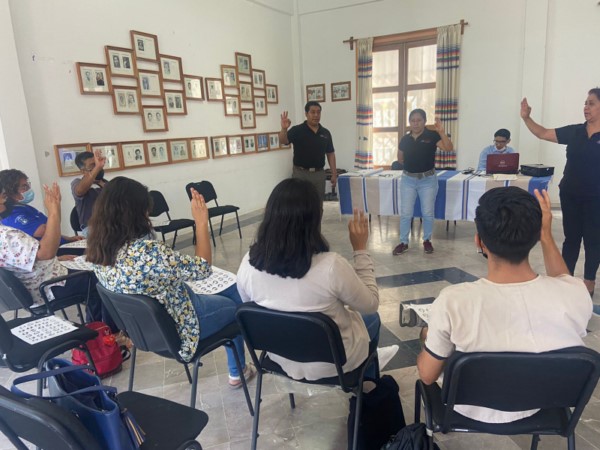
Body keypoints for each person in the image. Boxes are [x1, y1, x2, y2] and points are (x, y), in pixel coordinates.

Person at [417, 186, 592, 423]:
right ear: (535, 237)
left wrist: (429, 338)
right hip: (540, 404)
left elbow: (427, 377)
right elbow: (564, 280)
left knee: (430, 341)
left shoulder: (453, 300)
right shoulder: (575, 293)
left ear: (479, 241)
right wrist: (547, 237)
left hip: (466, 408)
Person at [86, 177, 255, 388]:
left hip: (146, 332)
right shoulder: (147, 252)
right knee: (236, 304)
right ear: (134, 213)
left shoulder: (98, 250)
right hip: (182, 327)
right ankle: (240, 370)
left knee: (229, 290)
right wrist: (201, 222)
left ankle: (238, 370)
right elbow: (202, 267)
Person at [237, 178, 382, 380]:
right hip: (334, 365)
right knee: (372, 318)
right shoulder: (331, 266)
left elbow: (253, 308)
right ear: (315, 220)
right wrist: (360, 249)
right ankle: (367, 389)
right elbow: (371, 304)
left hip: (280, 357)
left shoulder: (247, 264)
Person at [521, 89, 600, 297]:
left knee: (594, 240)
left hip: (596, 198)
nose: (586, 107)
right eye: (585, 102)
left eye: (591, 103)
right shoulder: (575, 131)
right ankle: (565, 279)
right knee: (571, 238)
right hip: (571, 195)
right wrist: (526, 118)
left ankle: (589, 281)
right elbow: (543, 133)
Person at [0, 179, 109, 324]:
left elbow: (29, 258)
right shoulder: (6, 235)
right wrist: (54, 211)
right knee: (104, 278)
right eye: (2, 195)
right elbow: (46, 253)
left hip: (41, 279)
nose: (4, 198)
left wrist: (56, 260)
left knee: (91, 269)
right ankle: (105, 332)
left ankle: (97, 326)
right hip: (48, 288)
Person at [392, 109, 453, 255]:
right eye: (412, 120)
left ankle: (426, 240)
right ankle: (403, 242)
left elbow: (448, 148)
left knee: (427, 212)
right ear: (409, 122)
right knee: (406, 213)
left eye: (419, 120)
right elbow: (400, 158)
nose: (415, 123)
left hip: (428, 180)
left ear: (425, 121)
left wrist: (442, 132)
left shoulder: (432, 135)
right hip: (408, 179)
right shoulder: (405, 139)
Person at [0, 169, 81, 246]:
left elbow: (54, 228)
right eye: (24, 187)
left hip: (59, 245)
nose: (28, 189)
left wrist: (68, 239)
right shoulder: (12, 215)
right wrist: (54, 208)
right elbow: (48, 231)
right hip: (51, 252)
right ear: (10, 192)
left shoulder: (23, 207)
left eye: (28, 185)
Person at [279, 102, 337, 202]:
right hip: (301, 173)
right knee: (300, 204)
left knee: (318, 204)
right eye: (312, 112)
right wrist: (284, 129)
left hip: (319, 174)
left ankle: (317, 218)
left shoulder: (325, 133)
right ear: (306, 114)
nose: (316, 115)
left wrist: (334, 173)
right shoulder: (297, 130)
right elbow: (283, 141)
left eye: (318, 112)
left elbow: (330, 153)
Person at [72, 150, 107, 237]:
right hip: (92, 228)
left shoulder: (106, 183)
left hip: (111, 224)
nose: (98, 167)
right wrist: (97, 168)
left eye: (97, 164)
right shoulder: (77, 183)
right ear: (83, 171)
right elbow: (80, 191)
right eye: (93, 165)